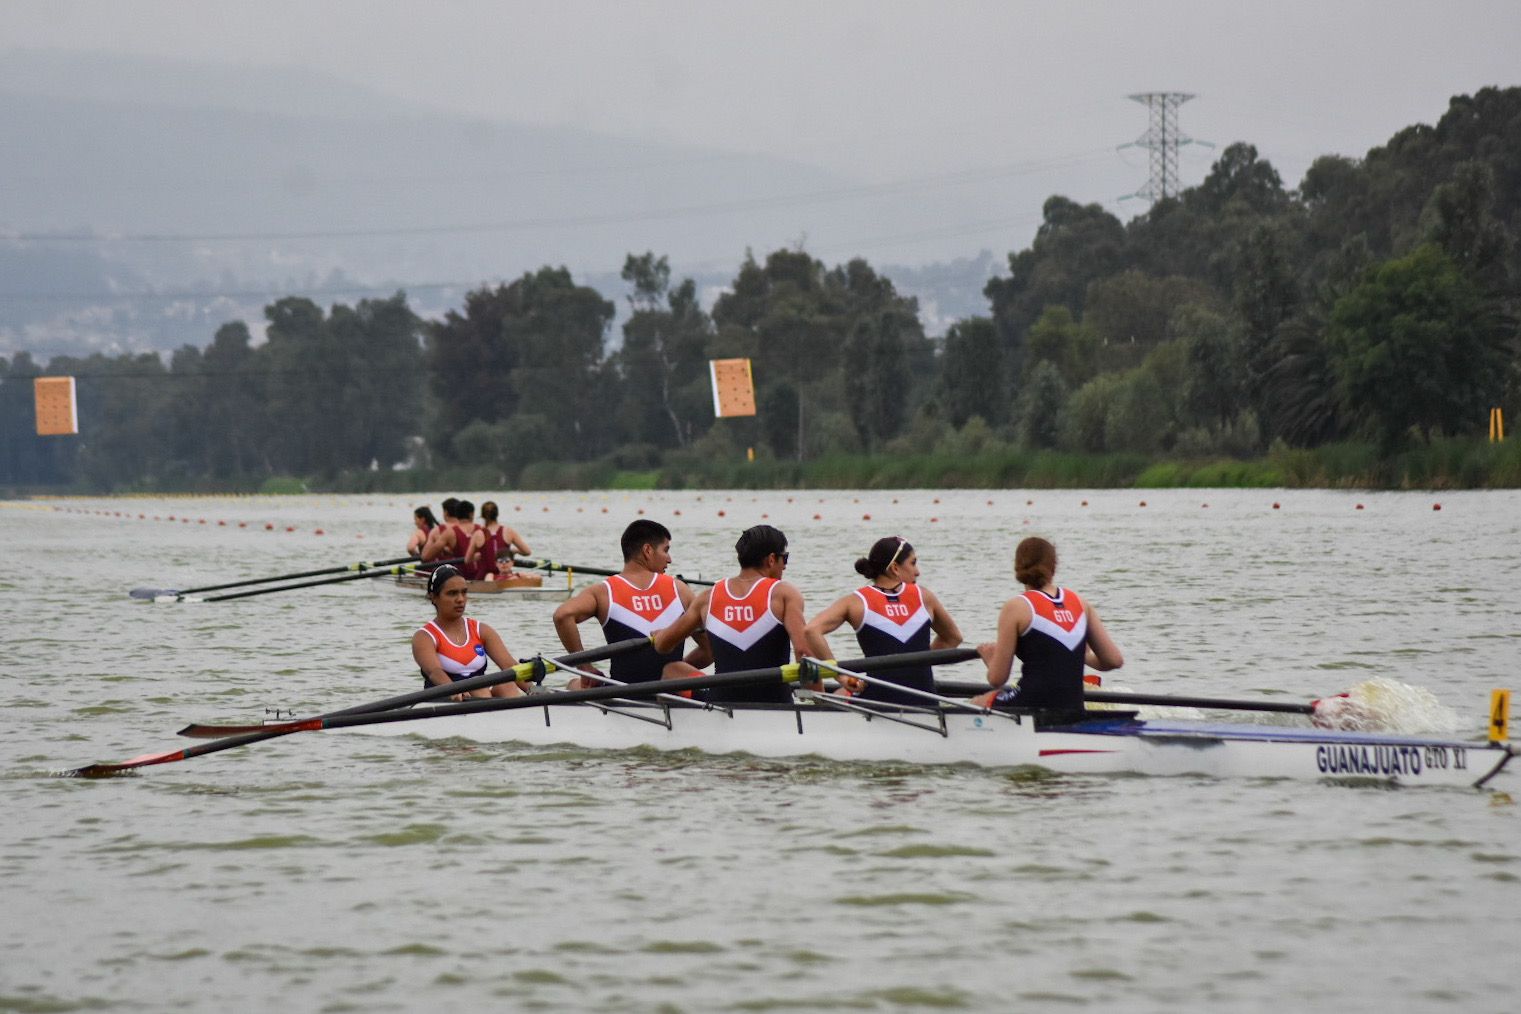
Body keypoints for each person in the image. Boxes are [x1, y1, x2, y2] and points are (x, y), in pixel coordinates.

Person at [651, 524, 814, 703]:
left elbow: (663, 646)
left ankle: (671, 724)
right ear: (772, 559)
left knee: (672, 670)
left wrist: (660, 635)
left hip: (721, 701)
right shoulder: (784, 593)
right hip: (775, 702)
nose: (785, 567)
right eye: (786, 558)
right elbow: (804, 652)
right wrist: (815, 699)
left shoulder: (708, 598)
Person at [970, 536, 1123, 719]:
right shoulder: (1080, 603)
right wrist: (1081, 655)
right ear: (1054, 567)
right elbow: (1113, 661)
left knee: (977, 702)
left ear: (1018, 568)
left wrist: (991, 659)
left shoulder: (1016, 607)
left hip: (1030, 705)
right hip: (1073, 708)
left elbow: (997, 679)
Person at [804, 536, 962, 706]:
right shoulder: (924, 596)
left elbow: (811, 630)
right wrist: (917, 662)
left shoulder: (855, 601)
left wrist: (840, 676)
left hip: (876, 704)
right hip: (925, 702)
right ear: (895, 568)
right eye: (913, 563)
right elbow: (953, 638)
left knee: (840, 693)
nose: (917, 572)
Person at [552, 519, 707, 689]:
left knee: (572, 685)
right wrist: (677, 670)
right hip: (672, 694)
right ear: (647, 550)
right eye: (666, 550)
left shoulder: (603, 591)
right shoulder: (680, 589)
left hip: (622, 694)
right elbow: (709, 651)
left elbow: (562, 615)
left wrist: (585, 668)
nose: (669, 559)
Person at [411, 564, 526, 700]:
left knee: (507, 684)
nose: (460, 599)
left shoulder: (481, 630)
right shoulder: (424, 636)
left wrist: (533, 690)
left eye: (464, 592)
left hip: (478, 698)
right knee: (478, 688)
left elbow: (509, 665)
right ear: (433, 597)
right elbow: (434, 672)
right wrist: (453, 690)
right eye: (452, 593)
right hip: (445, 701)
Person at [464, 500, 531, 582]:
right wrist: (514, 551)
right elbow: (527, 552)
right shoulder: (508, 531)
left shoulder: (478, 534)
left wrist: (478, 556)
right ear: (497, 514)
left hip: (484, 578)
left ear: (483, 516)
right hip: (505, 578)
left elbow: (467, 560)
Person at [422, 498, 476, 565]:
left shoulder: (436, 531)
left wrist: (441, 549)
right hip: (473, 568)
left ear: (446, 512)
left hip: (449, 570)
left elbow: (424, 556)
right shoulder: (474, 528)